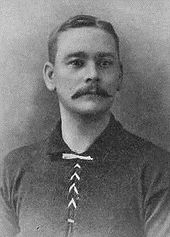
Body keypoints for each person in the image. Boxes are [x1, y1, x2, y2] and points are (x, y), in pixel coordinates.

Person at [0, 14, 170, 237]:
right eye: (77, 63)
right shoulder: (15, 168)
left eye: (104, 63)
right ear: (51, 76)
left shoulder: (156, 169)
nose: (93, 75)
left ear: (119, 76)